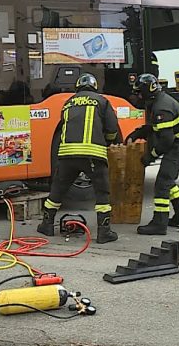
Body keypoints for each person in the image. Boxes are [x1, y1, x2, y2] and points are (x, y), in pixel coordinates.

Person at [37, 73, 120, 244]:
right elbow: (112, 128)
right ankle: (104, 232)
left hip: (67, 155)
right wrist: (109, 141)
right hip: (93, 155)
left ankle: (47, 224)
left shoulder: (68, 103)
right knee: (102, 193)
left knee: (58, 190)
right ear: (94, 86)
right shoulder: (102, 101)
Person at [128, 74, 179, 235]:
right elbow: (156, 128)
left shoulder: (161, 107)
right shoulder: (157, 102)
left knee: (162, 182)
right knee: (168, 179)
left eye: (139, 93)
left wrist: (150, 156)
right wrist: (138, 133)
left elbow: (166, 141)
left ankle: (159, 222)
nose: (137, 96)